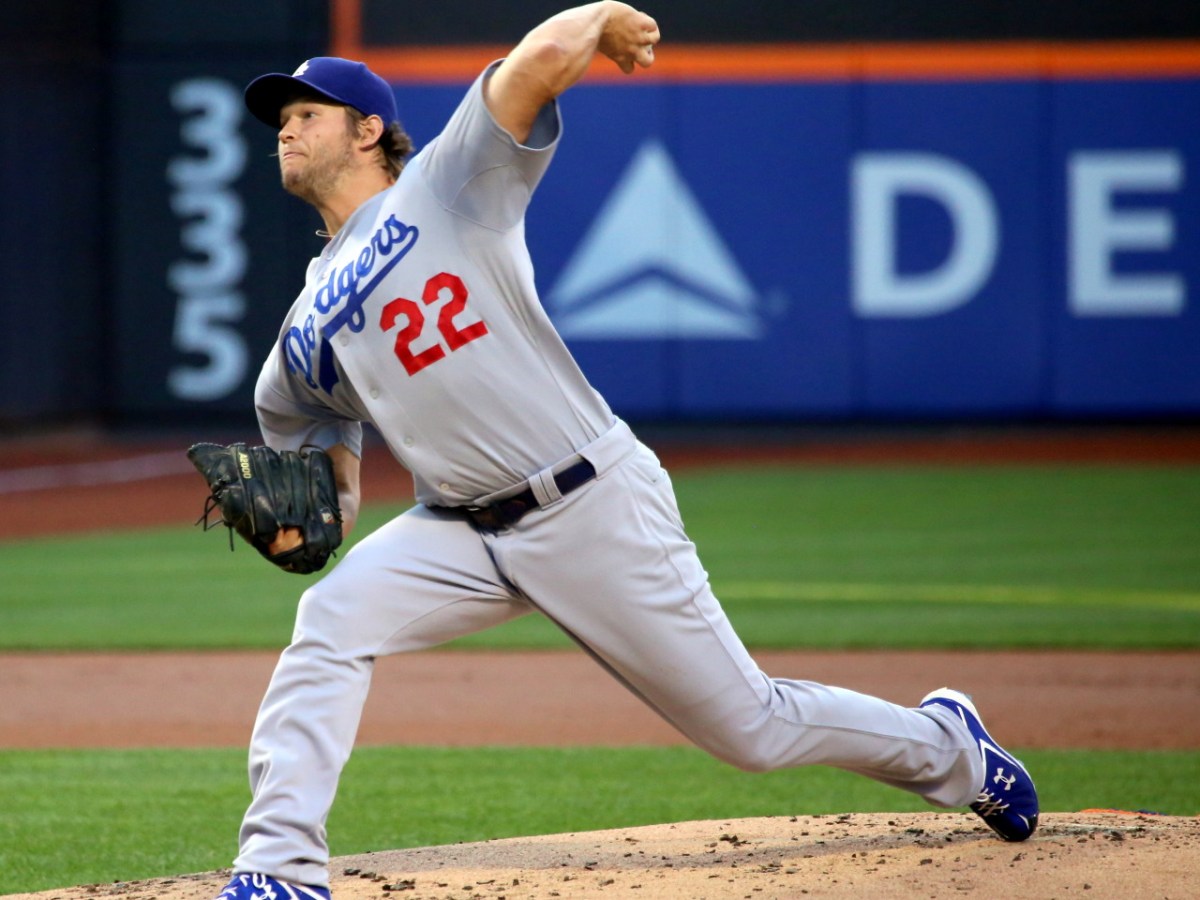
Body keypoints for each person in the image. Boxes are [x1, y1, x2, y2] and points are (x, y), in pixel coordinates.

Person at [215, 4, 1038, 898]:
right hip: (454, 530)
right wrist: (317, 528)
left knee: (749, 730)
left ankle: (952, 746)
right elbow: (321, 456)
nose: (288, 131)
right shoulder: (300, 334)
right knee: (331, 621)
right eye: (281, 121)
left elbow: (529, 67)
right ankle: (279, 869)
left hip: (586, 501)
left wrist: (599, 17)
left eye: (307, 114)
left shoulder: (446, 188)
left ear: (368, 128)